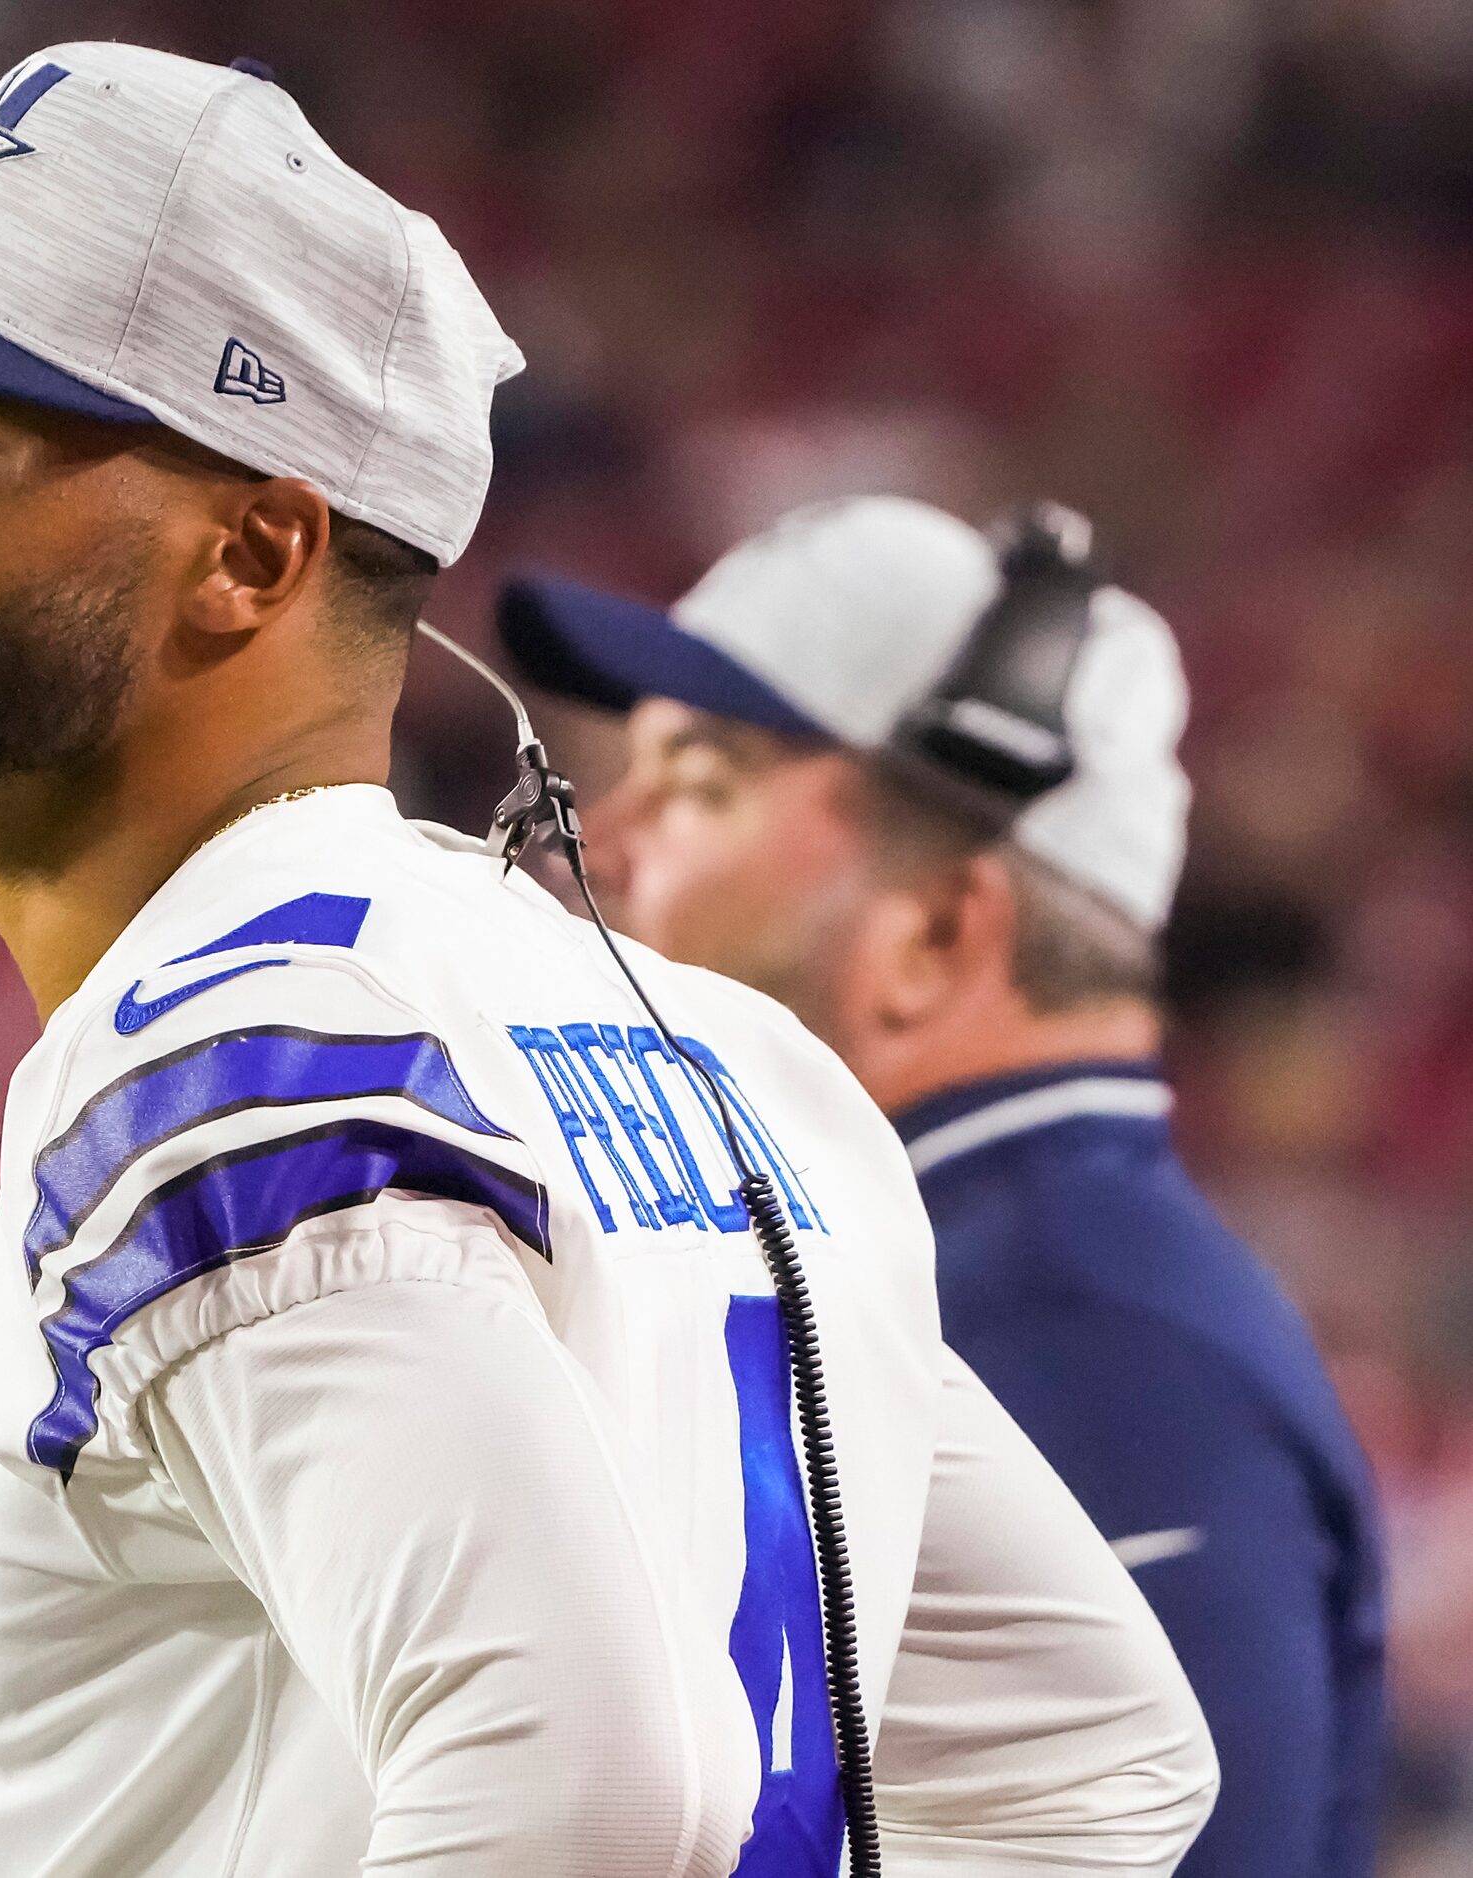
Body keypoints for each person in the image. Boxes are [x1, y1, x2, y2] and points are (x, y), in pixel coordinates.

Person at [0, 44, 1214, 1876]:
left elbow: (579, 1795)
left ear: (250, 552)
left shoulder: (233, 1051)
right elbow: (1087, 1756)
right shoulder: (725, 1054)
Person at [500, 493, 1387, 1878]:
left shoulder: (1084, 1345)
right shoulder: (967, 1271)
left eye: (699, 784)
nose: (592, 844)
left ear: (932, 929)